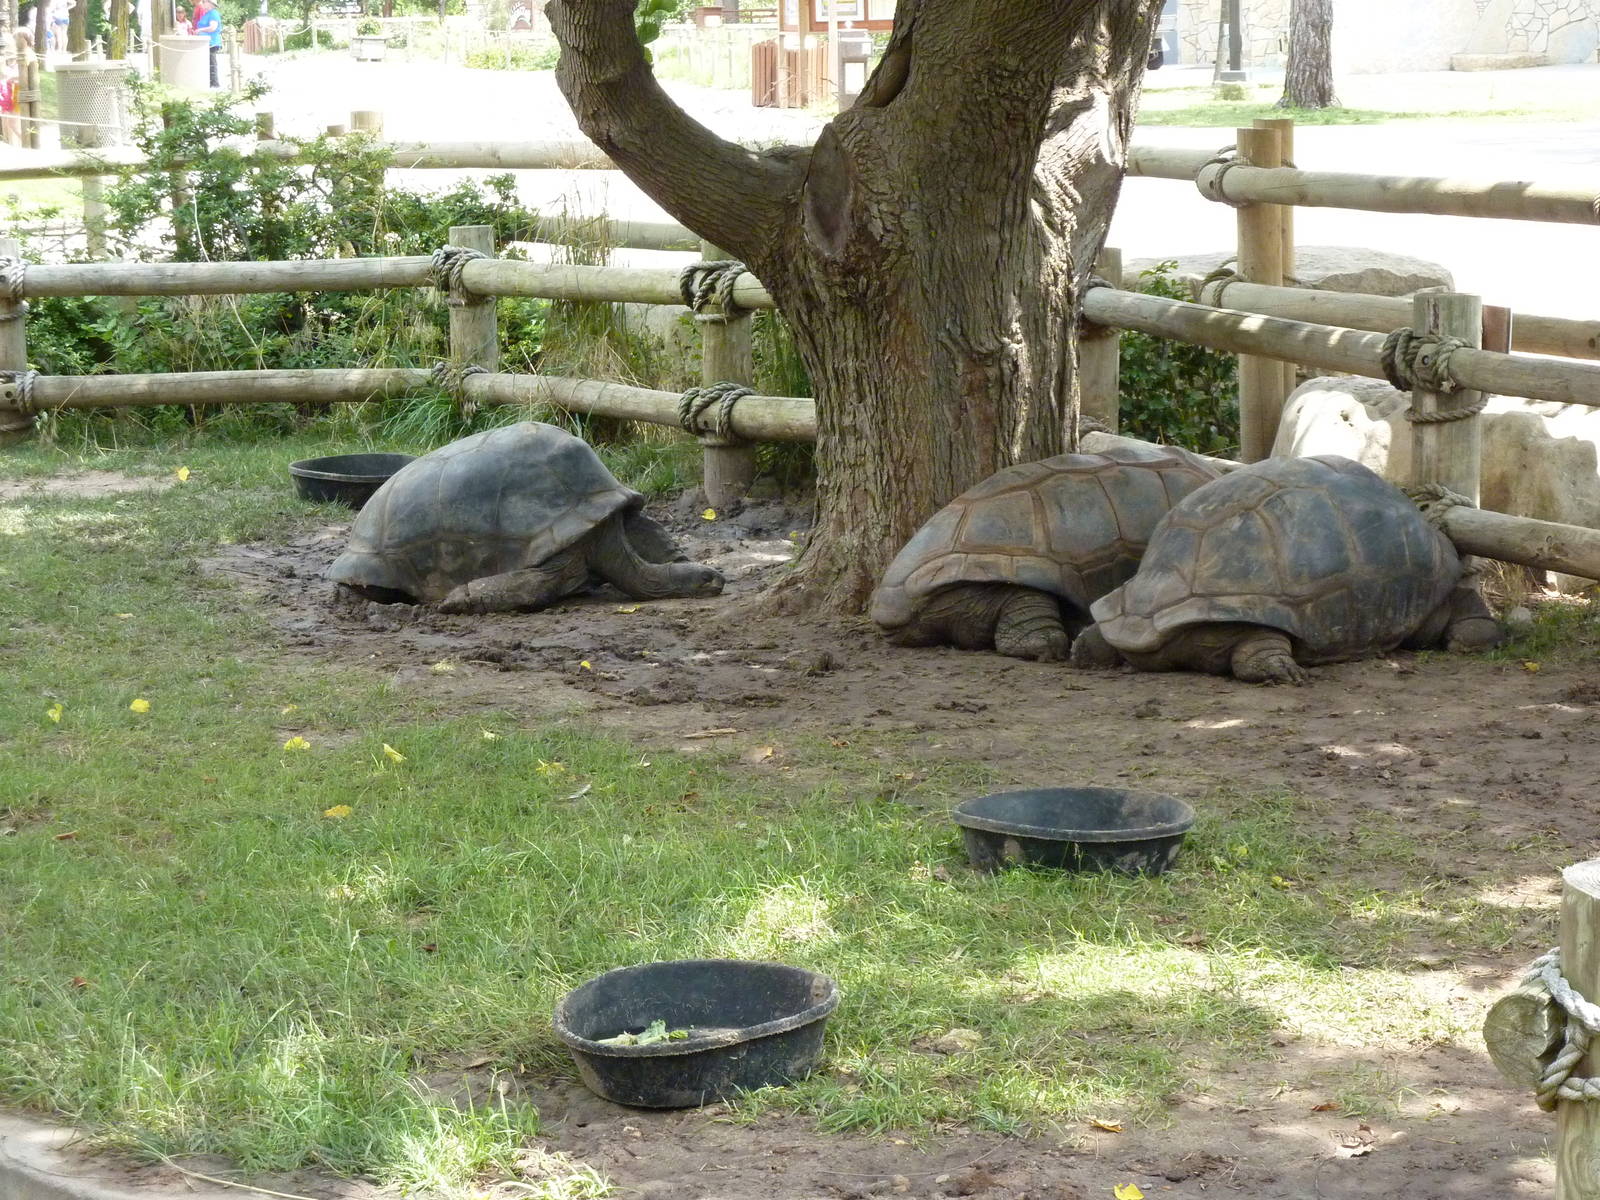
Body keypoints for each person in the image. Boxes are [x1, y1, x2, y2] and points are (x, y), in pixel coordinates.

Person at [191, 0, 222, 87]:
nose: (203, 3)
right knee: (207, 62)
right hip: (205, 42)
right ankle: (209, 82)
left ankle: (214, 83)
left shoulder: (213, 13)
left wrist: (200, 30)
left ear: (210, 3)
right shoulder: (207, 13)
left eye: (204, 1)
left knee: (212, 63)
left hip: (211, 42)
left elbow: (213, 27)